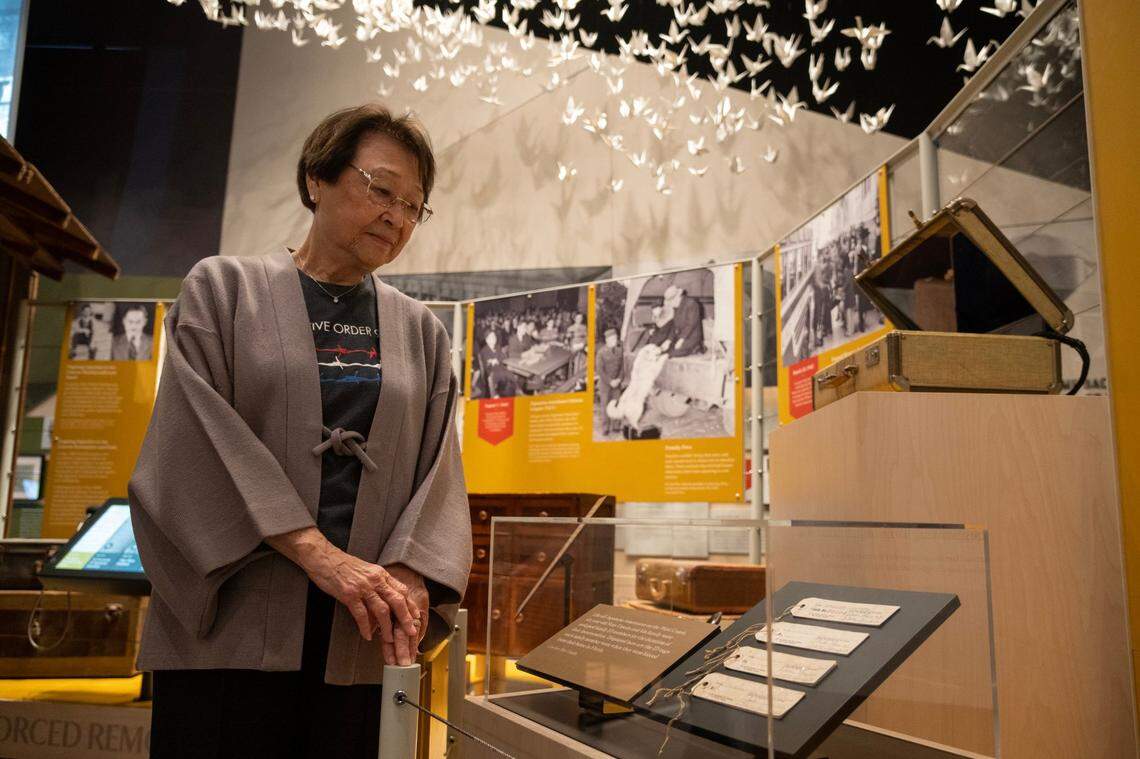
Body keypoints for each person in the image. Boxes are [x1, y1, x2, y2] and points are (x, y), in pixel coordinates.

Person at [129, 104, 472, 759]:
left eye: (413, 206)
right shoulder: (222, 291)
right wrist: (322, 556)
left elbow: (439, 474)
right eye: (381, 189)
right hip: (233, 624)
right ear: (317, 176)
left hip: (359, 632)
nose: (397, 216)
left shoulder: (422, 331)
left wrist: (405, 574)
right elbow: (195, 446)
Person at [595, 328, 624, 434]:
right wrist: (610, 381)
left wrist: (619, 379)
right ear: (607, 340)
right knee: (605, 405)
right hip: (605, 384)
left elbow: (622, 367)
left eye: (616, 338)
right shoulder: (601, 352)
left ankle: (616, 425)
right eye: (612, 338)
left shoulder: (620, 350)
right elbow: (599, 370)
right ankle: (605, 428)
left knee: (616, 403)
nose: (615, 340)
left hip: (617, 382)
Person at [664, 285, 703, 357]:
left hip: (691, 337)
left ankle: (697, 347)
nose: (670, 304)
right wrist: (668, 340)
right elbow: (674, 325)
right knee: (663, 350)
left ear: (678, 296)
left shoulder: (691, 303)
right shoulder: (676, 306)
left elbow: (690, 325)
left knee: (672, 353)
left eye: (671, 301)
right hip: (682, 336)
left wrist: (681, 340)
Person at [479, 330, 516, 398]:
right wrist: (496, 359)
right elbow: (488, 365)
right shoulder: (484, 350)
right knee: (508, 376)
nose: (494, 338)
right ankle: (504, 393)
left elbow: (504, 357)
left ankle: (509, 391)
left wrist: (496, 360)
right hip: (492, 373)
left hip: (501, 369)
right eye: (492, 337)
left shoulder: (497, 346)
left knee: (511, 374)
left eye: (494, 336)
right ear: (487, 340)